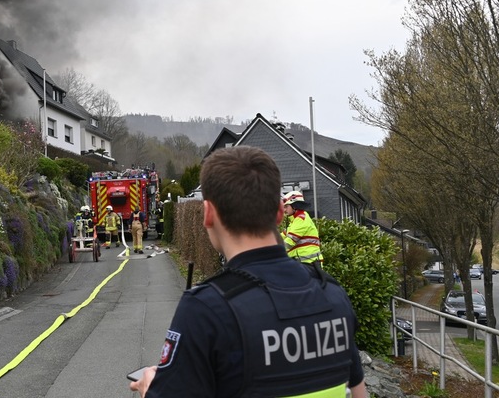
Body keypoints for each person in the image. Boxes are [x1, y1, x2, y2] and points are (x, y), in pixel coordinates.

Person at [129, 146, 366, 398]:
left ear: (208, 215)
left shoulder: (206, 309)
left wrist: (150, 390)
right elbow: (359, 393)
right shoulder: (332, 295)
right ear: (278, 212)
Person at [280, 190, 324, 267]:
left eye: (286, 206)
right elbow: (282, 236)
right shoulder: (295, 221)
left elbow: (288, 243)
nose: (284, 210)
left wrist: (271, 252)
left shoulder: (301, 220)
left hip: (310, 264)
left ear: (295, 206)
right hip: (305, 264)